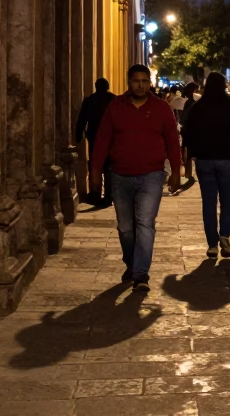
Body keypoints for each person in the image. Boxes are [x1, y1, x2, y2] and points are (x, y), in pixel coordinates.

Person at [90, 64, 181, 291]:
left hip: (151, 175)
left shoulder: (161, 108)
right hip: (120, 176)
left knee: (145, 224)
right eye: (135, 81)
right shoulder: (115, 107)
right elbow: (102, 141)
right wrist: (94, 172)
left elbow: (172, 140)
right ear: (128, 83)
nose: (140, 85)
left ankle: (141, 274)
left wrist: (177, 171)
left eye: (144, 81)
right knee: (125, 227)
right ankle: (131, 263)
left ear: (149, 83)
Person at [181, 73, 230, 259]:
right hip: (228, 158)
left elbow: (187, 133)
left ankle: (212, 244)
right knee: (228, 199)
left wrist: (187, 157)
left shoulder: (197, 108)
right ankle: (225, 236)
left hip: (204, 159)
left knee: (209, 202)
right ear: (223, 86)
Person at [74, 78, 116, 206]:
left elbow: (82, 119)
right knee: (109, 167)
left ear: (96, 87)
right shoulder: (113, 100)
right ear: (107, 86)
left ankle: (95, 193)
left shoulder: (89, 100)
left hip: (94, 137)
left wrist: (78, 135)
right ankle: (109, 195)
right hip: (110, 138)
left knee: (95, 165)